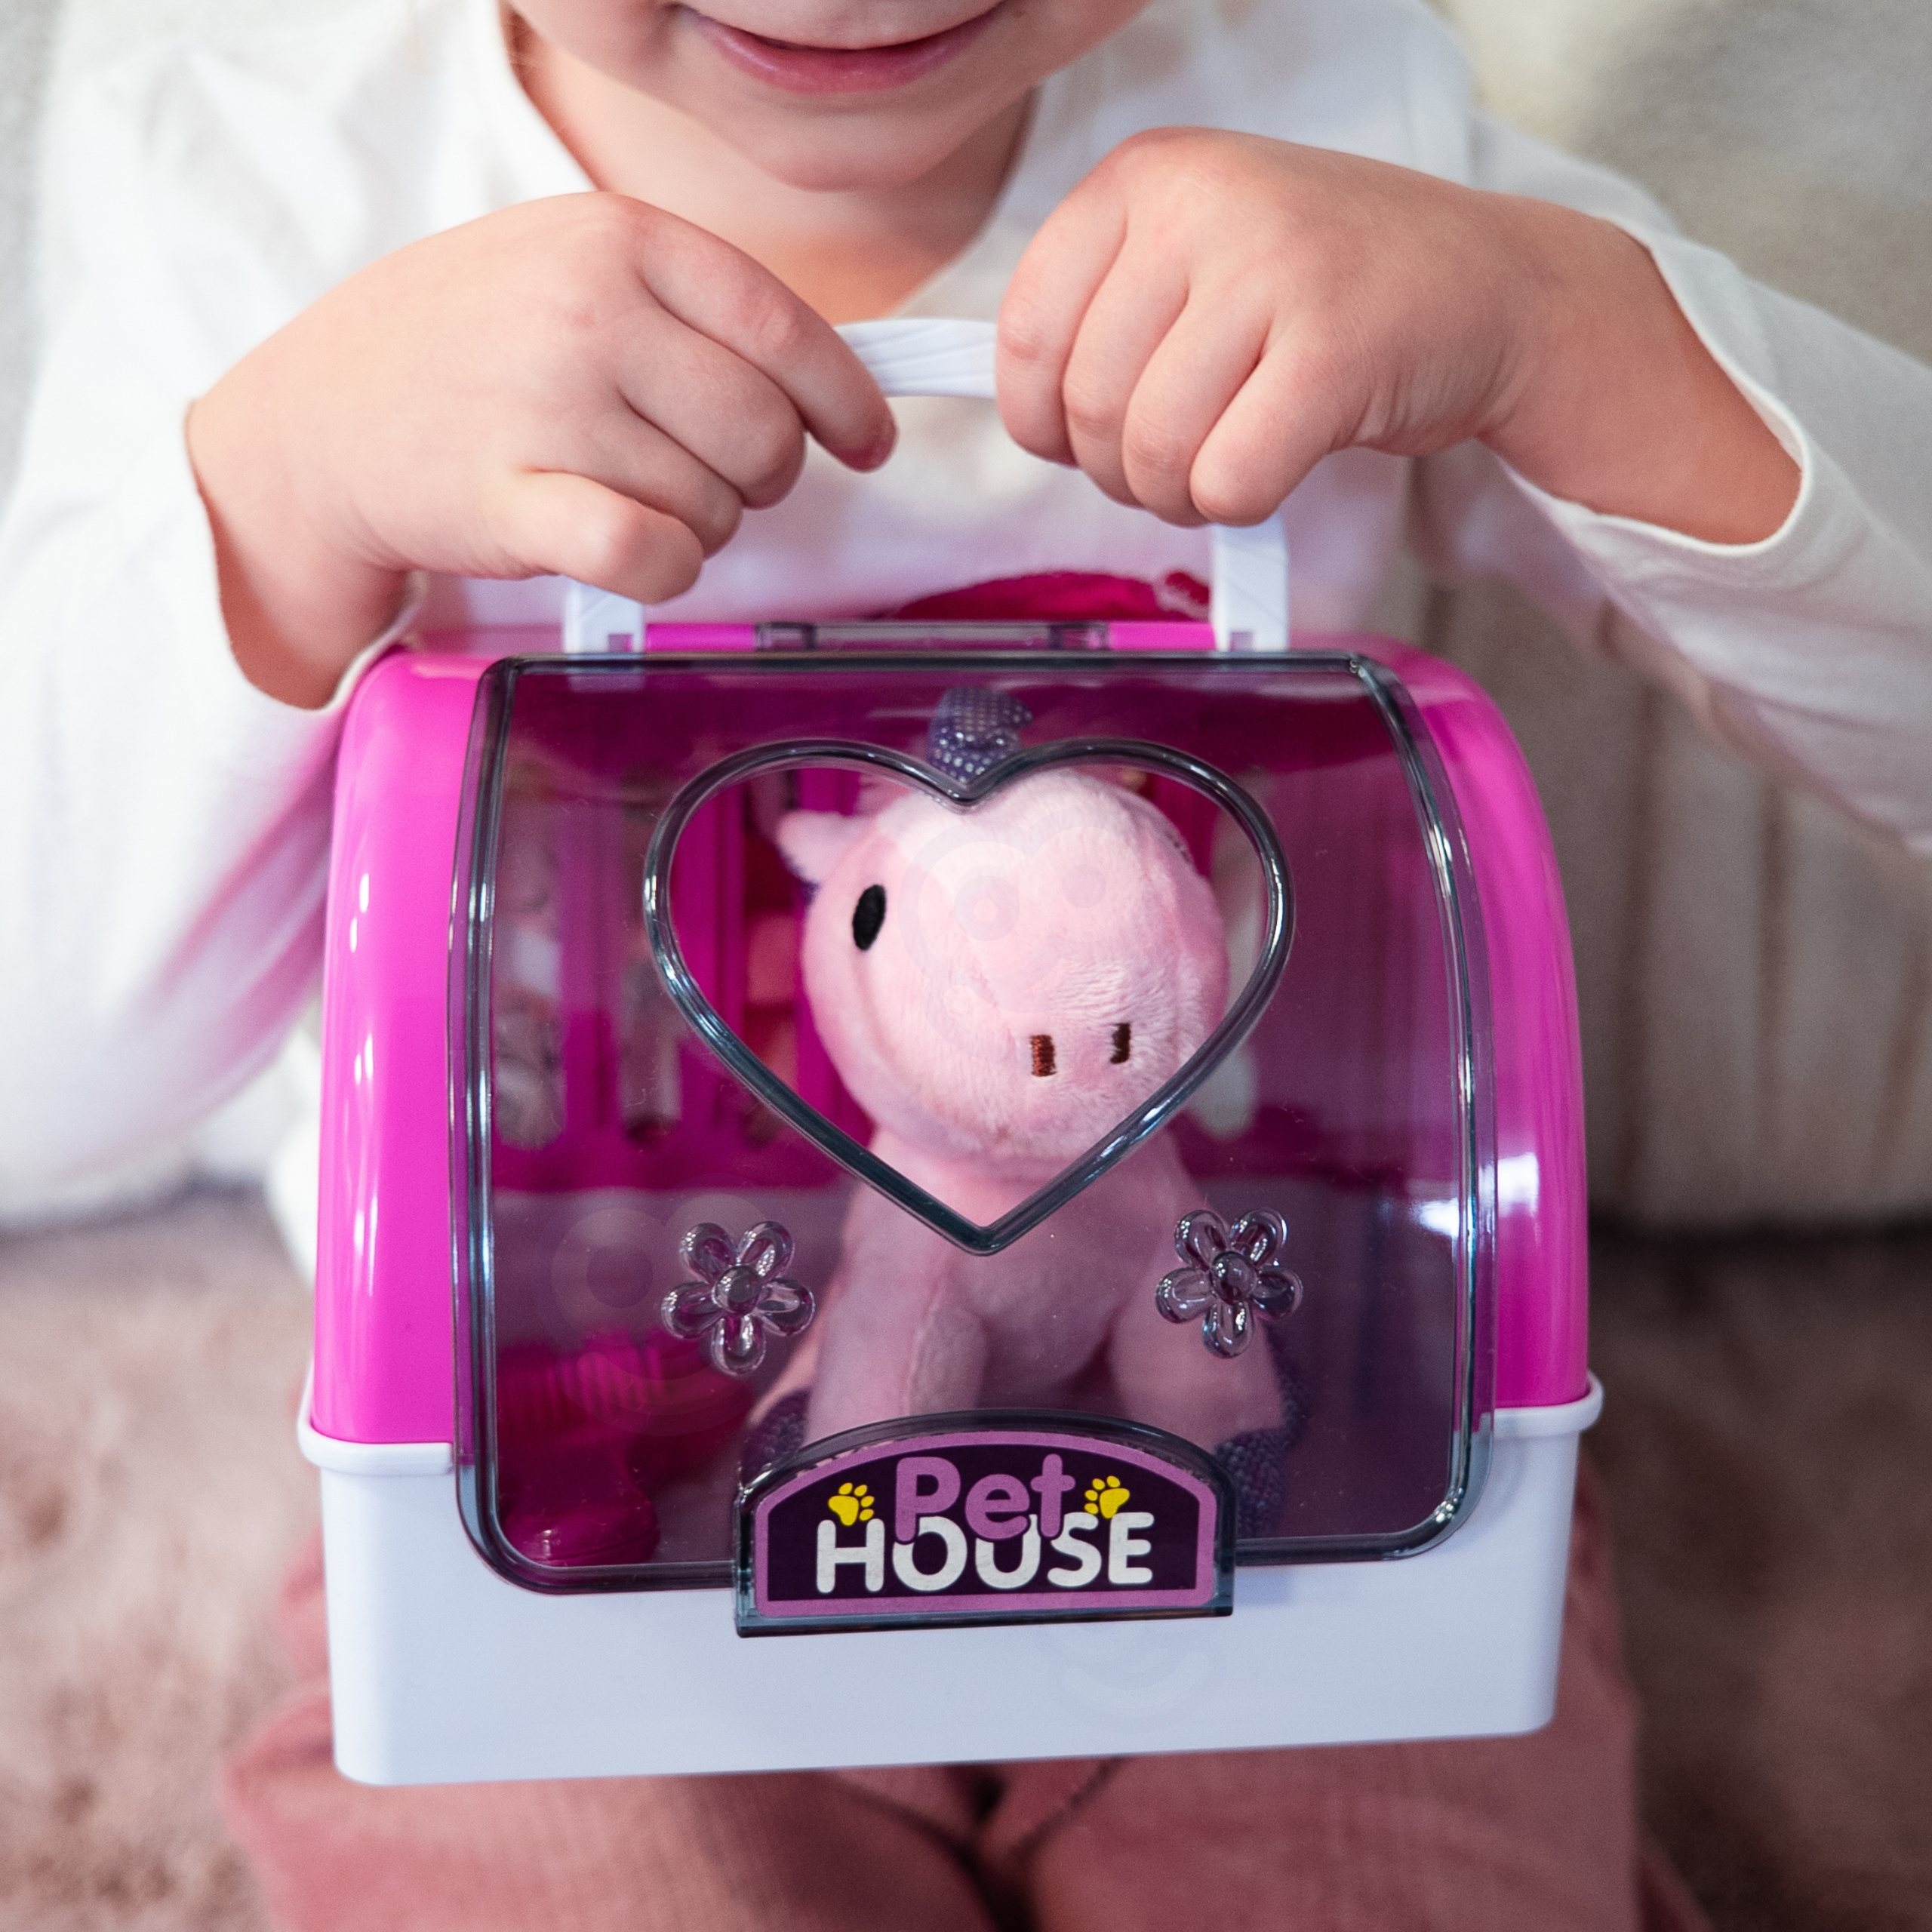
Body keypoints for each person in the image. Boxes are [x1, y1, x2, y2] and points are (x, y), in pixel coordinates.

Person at [2, 0, 1928, 1923]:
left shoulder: (1332, 110)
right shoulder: (255, 151)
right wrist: (279, 506)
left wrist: (1560, 332)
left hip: (1271, 1402)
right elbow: (49, 1086)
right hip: (559, 1447)